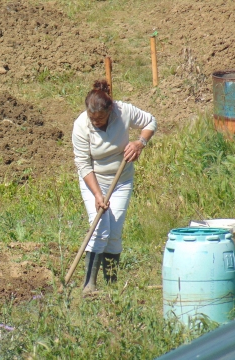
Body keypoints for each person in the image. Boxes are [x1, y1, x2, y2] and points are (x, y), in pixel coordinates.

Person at [72, 80, 157, 296]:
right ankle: (89, 285)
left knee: (114, 233)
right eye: (93, 118)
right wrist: (98, 194)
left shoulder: (123, 111)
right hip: (94, 182)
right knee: (100, 229)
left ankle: (112, 284)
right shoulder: (81, 125)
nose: (96, 122)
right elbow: (83, 164)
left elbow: (150, 122)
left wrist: (140, 143)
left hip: (121, 181)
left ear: (110, 111)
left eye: (100, 118)